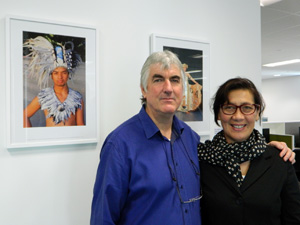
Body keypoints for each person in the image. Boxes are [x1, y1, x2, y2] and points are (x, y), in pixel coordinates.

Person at [91, 51, 294, 225]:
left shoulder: (192, 141)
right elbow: (103, 217)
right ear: (144, 89)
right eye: (158, 79)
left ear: (183, 89)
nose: (168, 88)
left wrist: (267, 148)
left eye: (175, 80)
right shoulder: (120, 145)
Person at [198, 77, 300, 224]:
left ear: (257, 112)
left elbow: (294, 218)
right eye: (229, 107)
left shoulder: (280, 161)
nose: (238, 116)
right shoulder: (202, 161)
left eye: (247, 108)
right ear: (218, 113)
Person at [23, 35, 84, 127]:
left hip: (70, 140)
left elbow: (80, 124)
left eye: (63, 72)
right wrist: (31, 138)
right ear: (51, 75)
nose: (60, 77)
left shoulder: (77, 98)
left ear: (68, 74)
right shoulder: (44, 97)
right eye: (56, 73)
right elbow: (24, 116)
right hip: (49, 140)